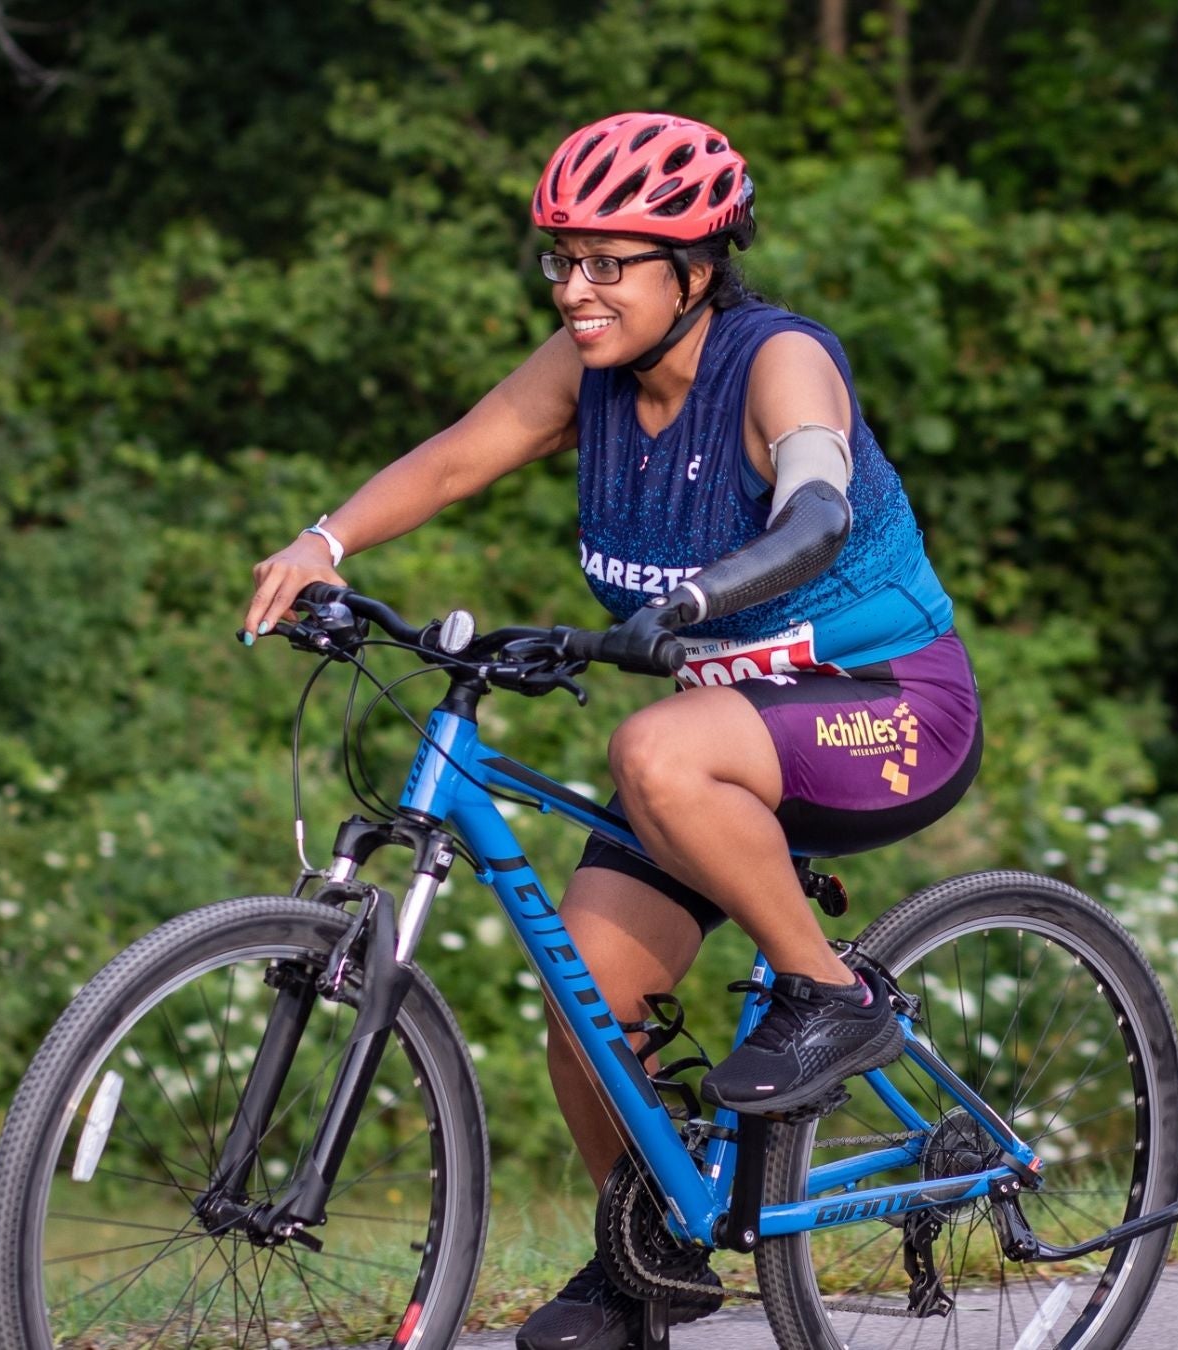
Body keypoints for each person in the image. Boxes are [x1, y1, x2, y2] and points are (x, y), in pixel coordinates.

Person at [240, 111, 982, 1350]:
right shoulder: (587, 367)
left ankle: (828, 992)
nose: (576, 290)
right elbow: (461, 457)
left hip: (891, 709)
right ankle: (651, 1262)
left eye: (607, 263)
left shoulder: (779, 361)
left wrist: (694, 602)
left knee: (651, 747)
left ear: (694, 271)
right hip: (731, 740)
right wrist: (328, 544)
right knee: (589, 1004)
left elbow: (814, 511)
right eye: (562, 261)